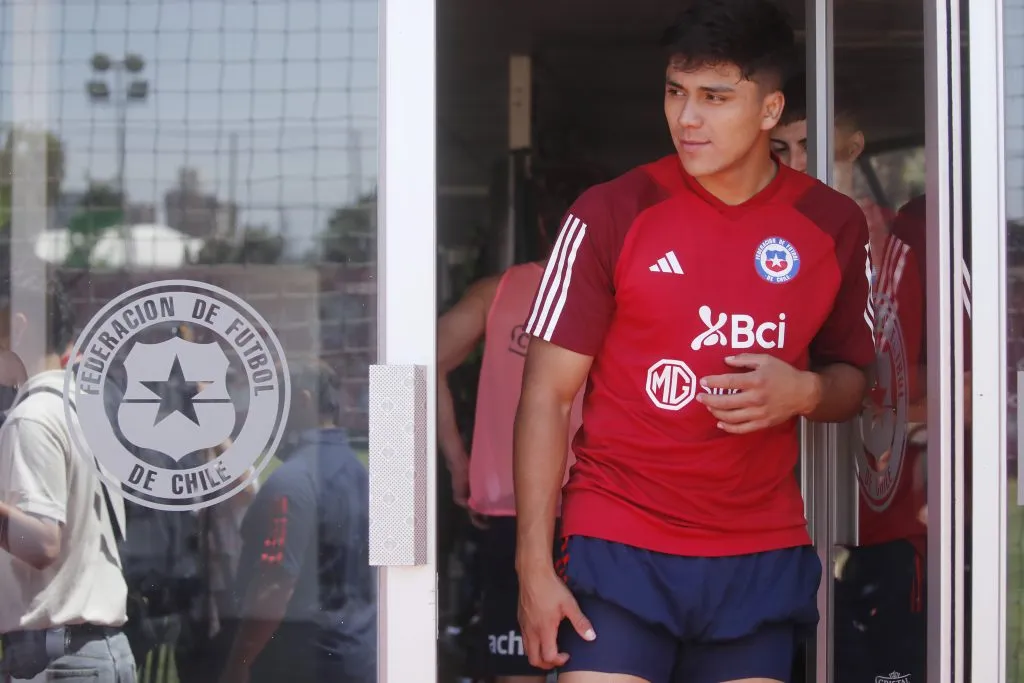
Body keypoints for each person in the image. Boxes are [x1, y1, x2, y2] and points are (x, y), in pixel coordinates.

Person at [512, 1, 875, 682]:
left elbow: (854, 380)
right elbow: (545, 397)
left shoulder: (830, 224)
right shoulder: (612, 212)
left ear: (770, 111)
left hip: (757, 547)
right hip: (620, 537)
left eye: (715, 98)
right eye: (676, 93)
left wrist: (806, 391)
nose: (687, 117)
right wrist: (532, 566)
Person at [772, 74, 929, 683]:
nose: (799, 163)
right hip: (782, 518)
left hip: (885, 517)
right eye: (783, 150)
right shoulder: (768, 249)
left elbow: (969, 389)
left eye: (813, 143)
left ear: (854, 146)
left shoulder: (907, 249)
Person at [438, 260, 583, 683]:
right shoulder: (628, 282)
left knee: (519, 665)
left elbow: (419, 362)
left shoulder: (498, 291)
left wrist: (458, 463)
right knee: (609, 662)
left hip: (515, 503)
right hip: (601, 507)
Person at [0, 275, 137, 682]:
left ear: (19, 326)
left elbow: (41, 542)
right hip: (88, 652)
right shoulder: (79, 405)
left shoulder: (32, 418)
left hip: (60, 660)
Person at [219, 358, 376, 683]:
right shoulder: (359, 472)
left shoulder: (293, 481)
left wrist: (238, 663)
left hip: (303, 663)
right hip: (357, 655)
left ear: (303, 400)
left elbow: (275, 586)